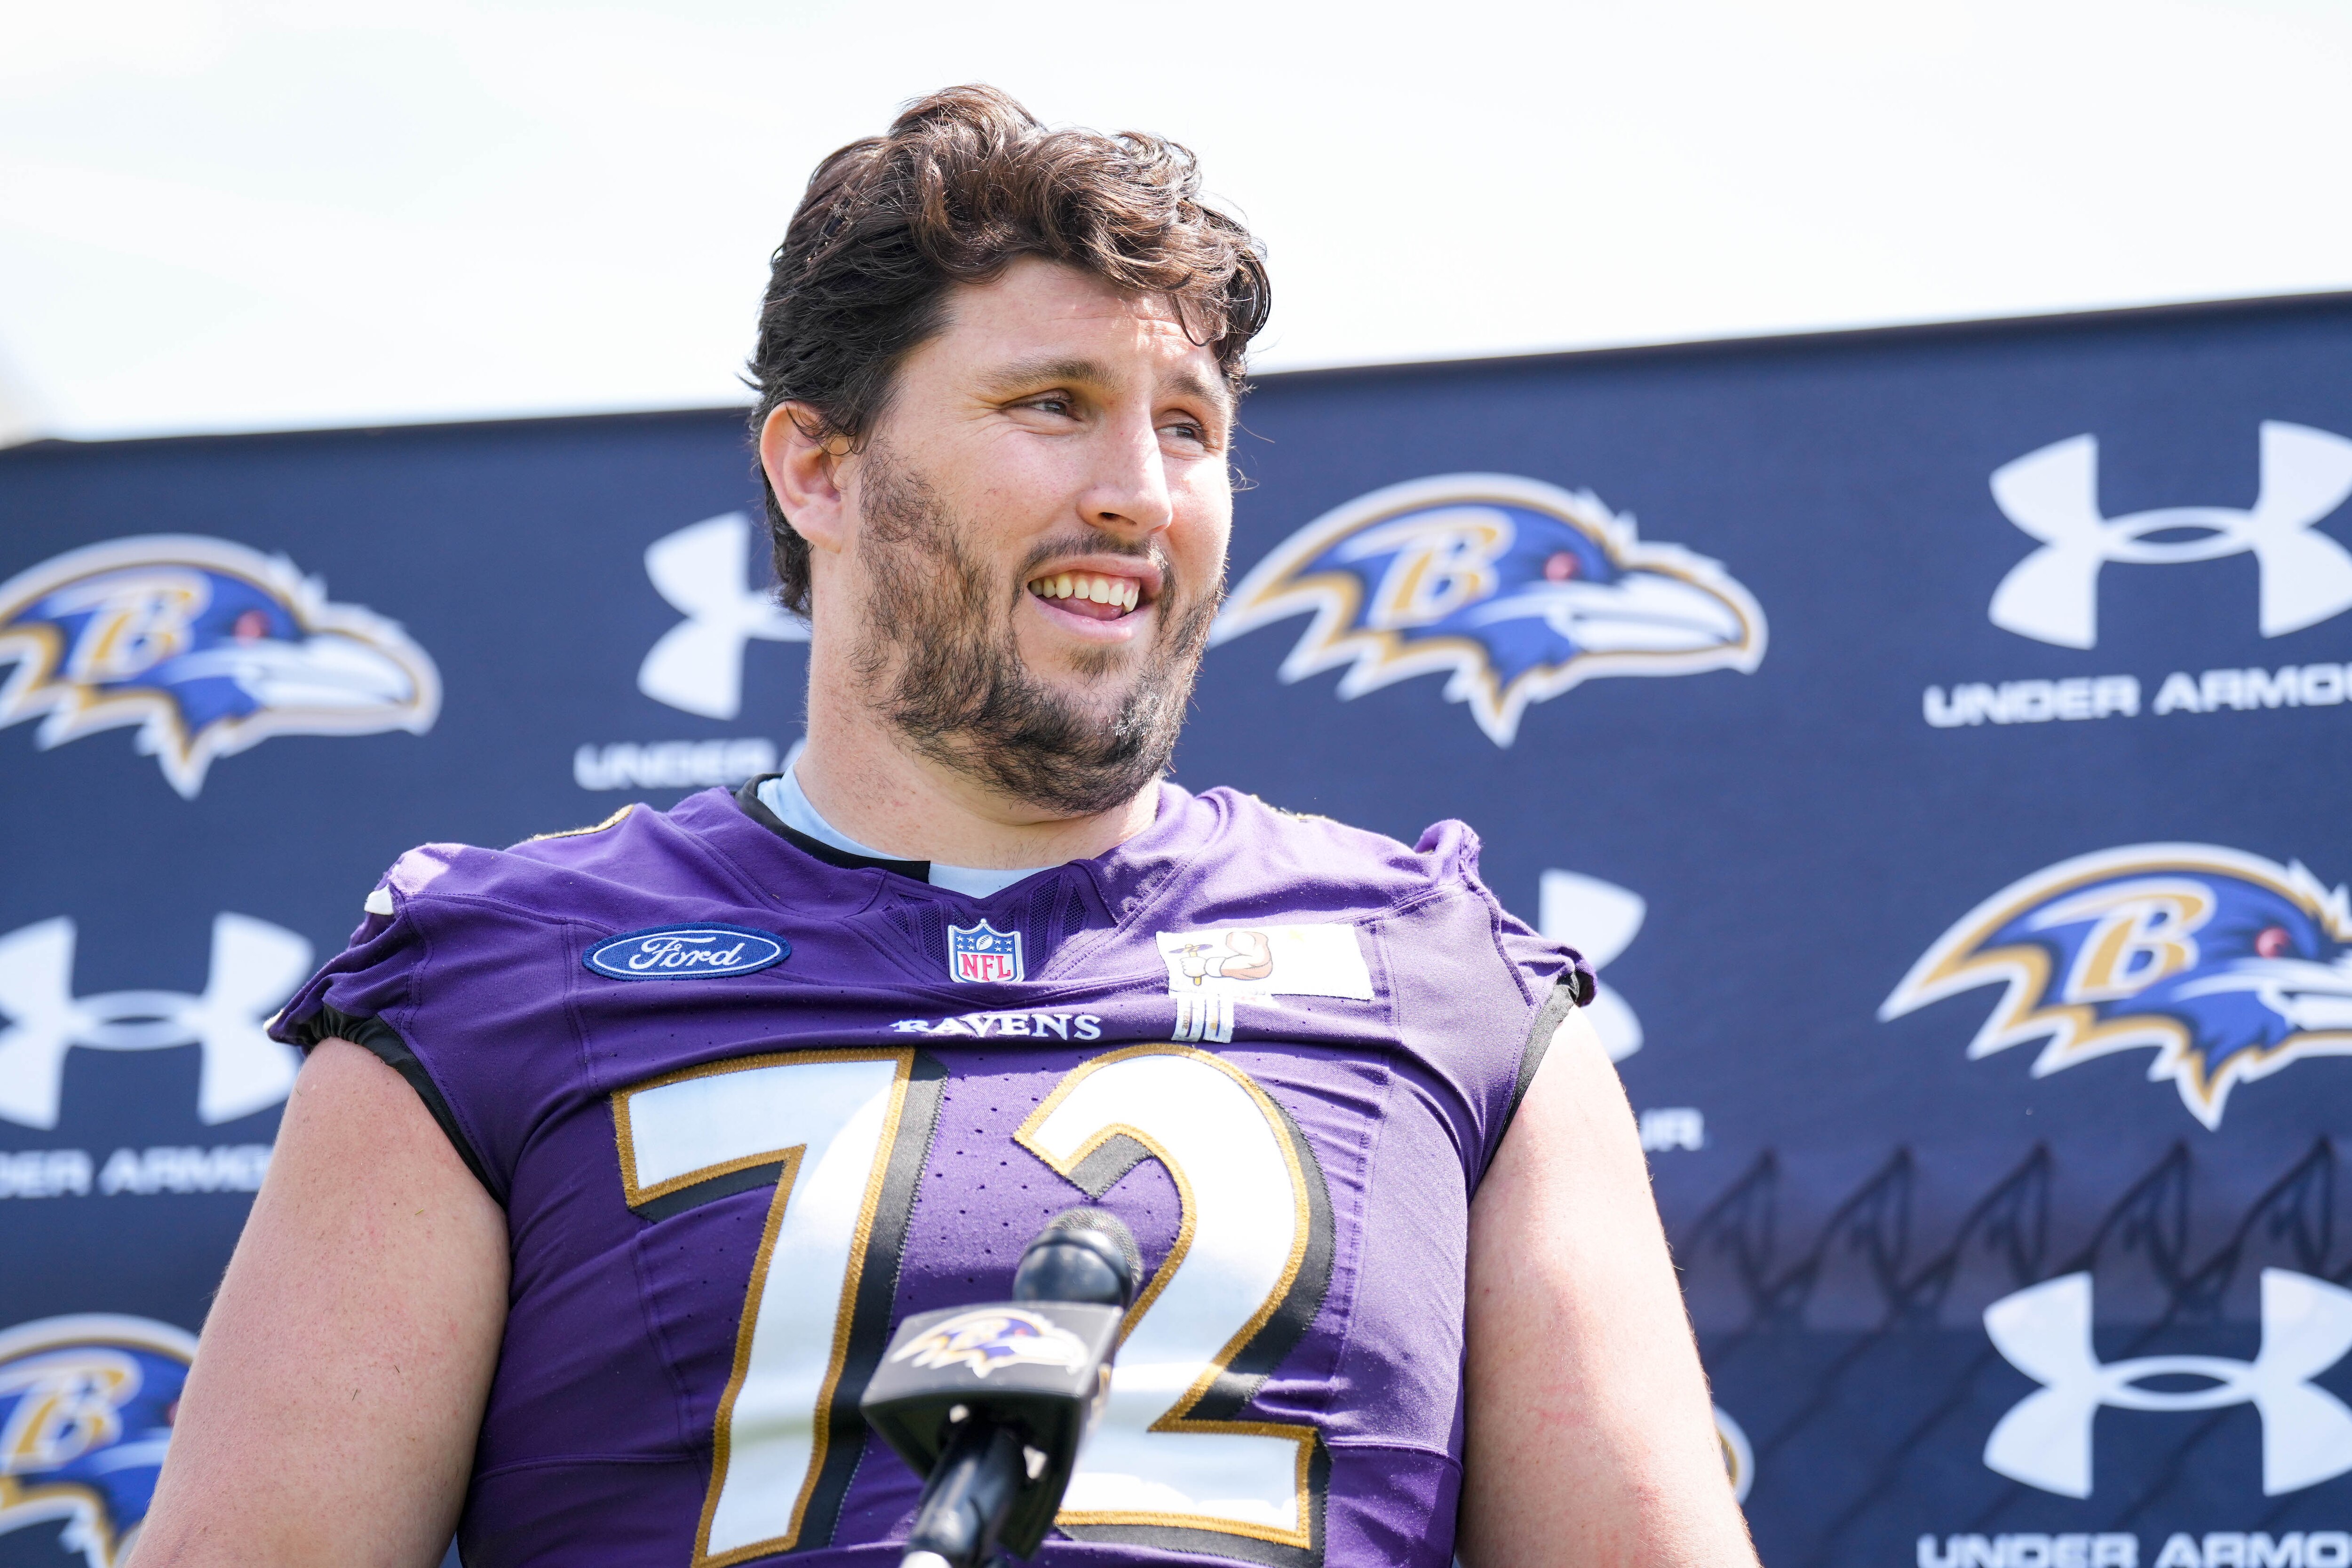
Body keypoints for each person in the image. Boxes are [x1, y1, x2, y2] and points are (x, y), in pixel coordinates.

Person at [135, 86, 1758, 1568]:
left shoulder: (1446, 982)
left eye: (1188, 425)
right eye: (1051, 403)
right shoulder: (493, 984)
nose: (1140, 488)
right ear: (819, 470)